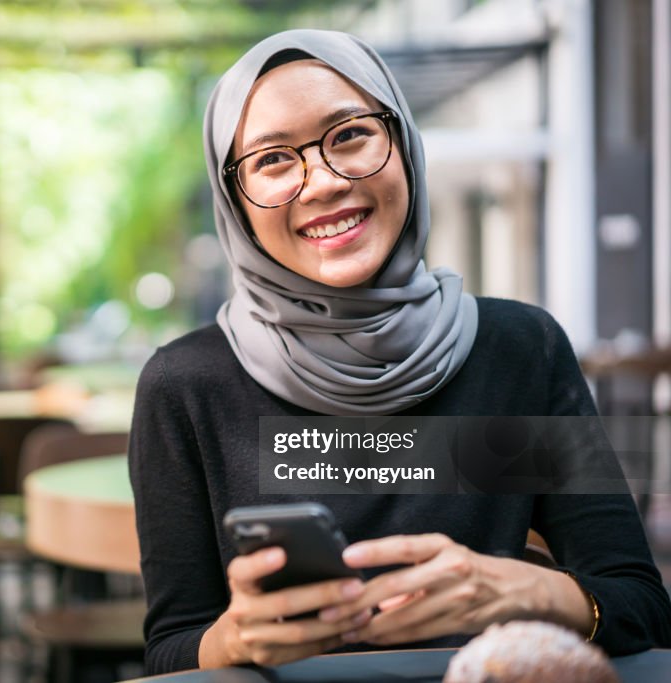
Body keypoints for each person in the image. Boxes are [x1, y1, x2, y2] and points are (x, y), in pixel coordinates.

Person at [128, 29, 671, 674]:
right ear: (236, 201)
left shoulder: (520, 351)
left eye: (351, 134)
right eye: (273, 159)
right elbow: (171, 650)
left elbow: (640, 606)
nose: (323, 182)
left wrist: (523, 590)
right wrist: (236, 641)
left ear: (404, 145)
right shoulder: (186, 385)